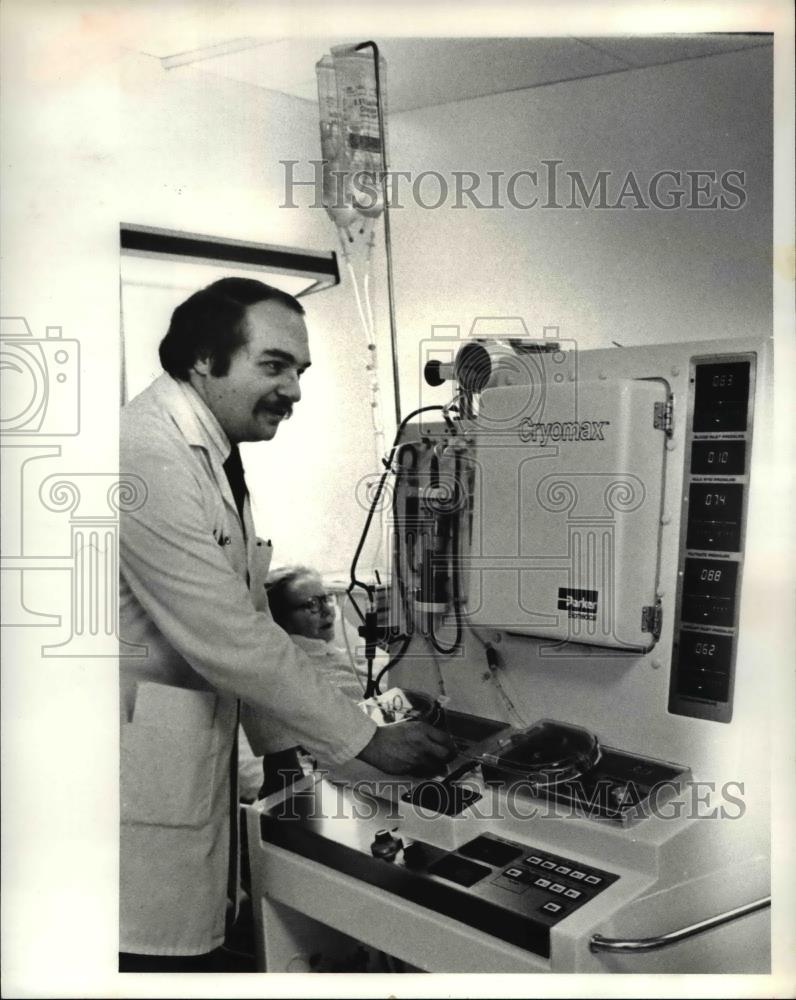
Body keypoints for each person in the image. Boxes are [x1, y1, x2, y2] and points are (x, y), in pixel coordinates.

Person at [118, 277, 454, 972]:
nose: (295, 390)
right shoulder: (146, 453)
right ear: (204, 360)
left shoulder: (211, 450)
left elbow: (240, 616)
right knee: (155, 964)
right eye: (274, 365)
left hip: (187, 760)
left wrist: (281, 751)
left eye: (299, 371)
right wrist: (367, 742)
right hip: (135, 780)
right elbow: (230, 636)